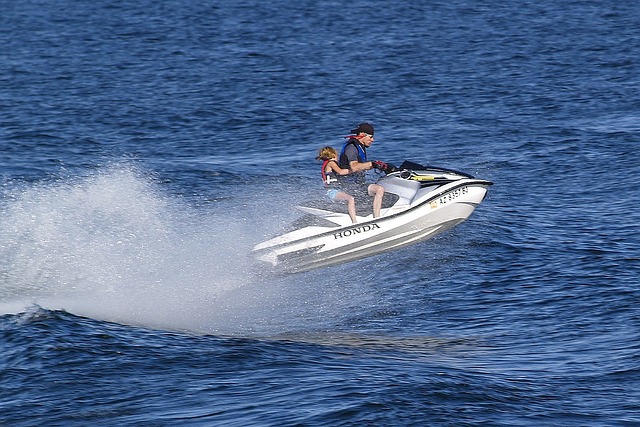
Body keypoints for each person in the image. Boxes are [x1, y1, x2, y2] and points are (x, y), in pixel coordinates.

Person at [337, 122, 387, 218]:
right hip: (349, 187)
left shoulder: (360, 147)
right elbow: (354, 167)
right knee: (379, 189)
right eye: (371, 137)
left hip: (358, 186)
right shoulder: (351, 148)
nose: (373, 140)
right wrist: (372, 164)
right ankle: (377, 219)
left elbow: (362, 166)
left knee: (381, 186)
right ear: (363, 135)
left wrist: (378, 166)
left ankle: (376, 215)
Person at [316, 146, 357, 223]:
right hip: (333, 192)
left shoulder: (327, 164)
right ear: (333, 154)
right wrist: (354, 169)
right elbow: (341, 172)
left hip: (333, 191)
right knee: (350, 199)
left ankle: (350, 218)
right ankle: (354, 222)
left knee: (351, 199)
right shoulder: (331, 163)